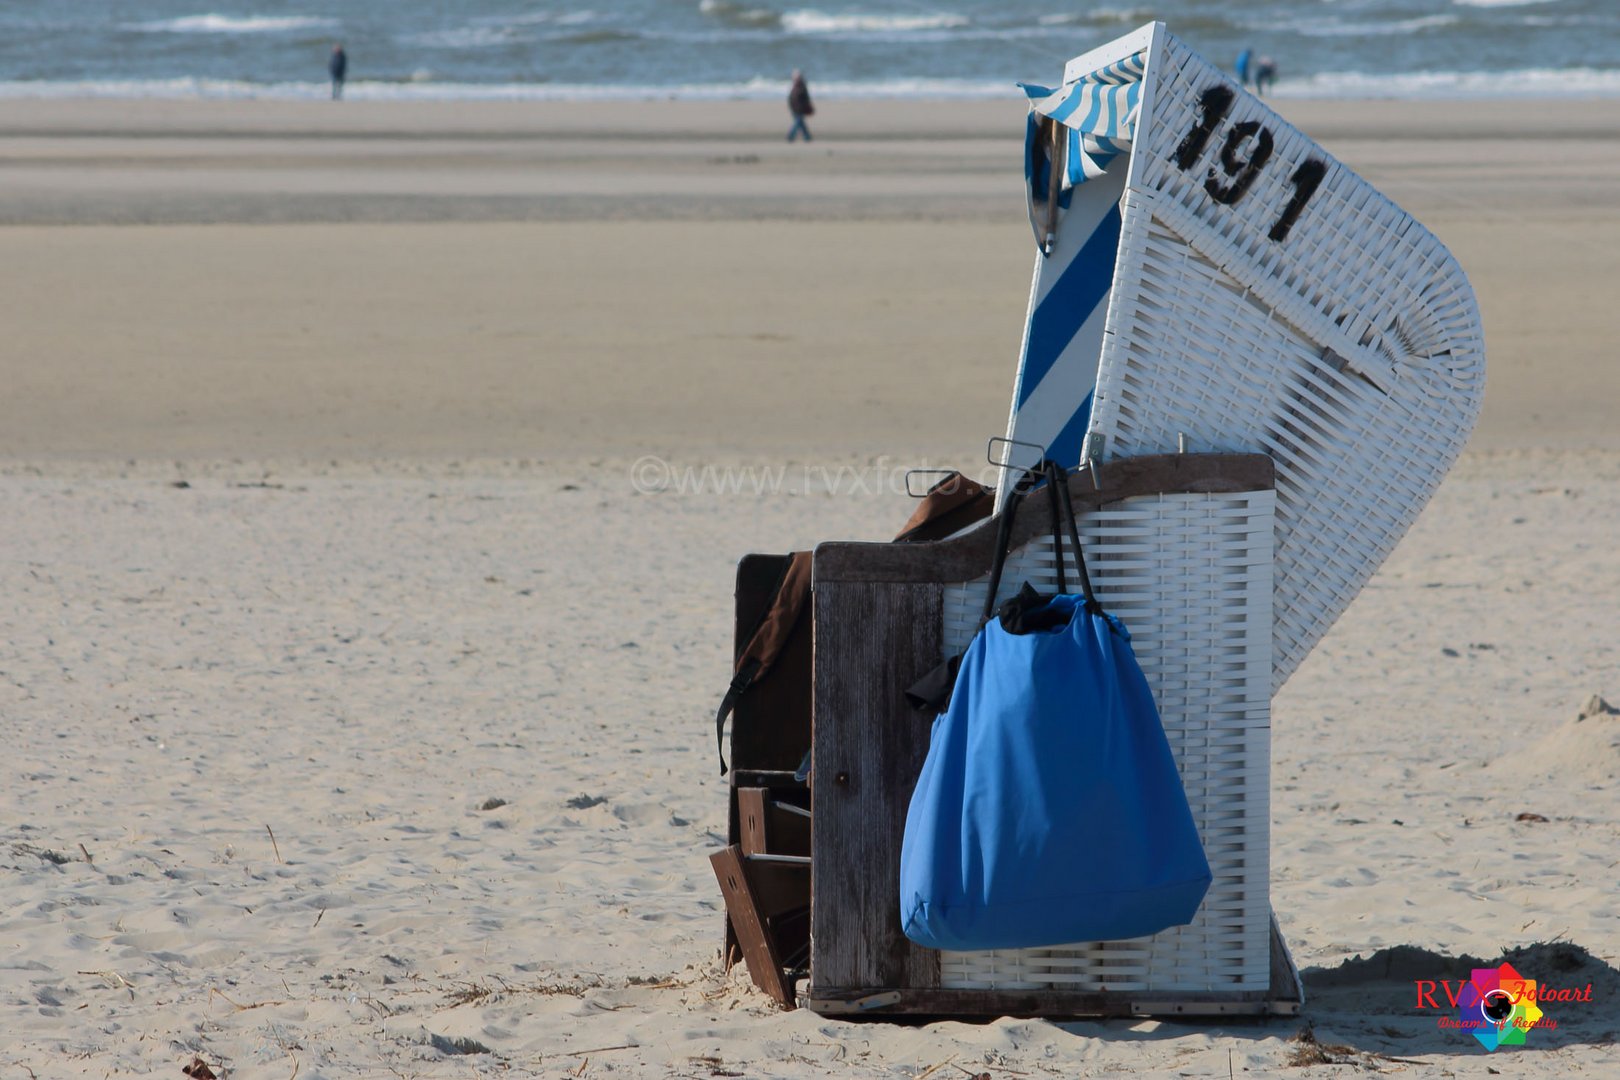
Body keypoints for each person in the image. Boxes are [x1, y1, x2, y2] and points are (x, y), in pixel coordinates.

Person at [787, 70, 813, 143]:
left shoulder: (802, 86)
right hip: (794, 108)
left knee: (798, 123)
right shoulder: (794, 86)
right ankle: (807, 136)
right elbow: (791, 98)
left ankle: (791, 136)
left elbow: (806, 98)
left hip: (800, 108)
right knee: (800, 123)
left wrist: (806, 106)